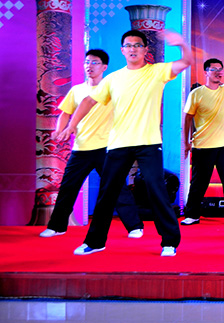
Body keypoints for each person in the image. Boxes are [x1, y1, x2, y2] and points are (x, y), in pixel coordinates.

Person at [58, 28, 193, 257]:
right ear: (122, 50)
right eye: (128, 45)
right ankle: (95, 241)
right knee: (107, 193)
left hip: (149, 143)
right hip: (119, 144)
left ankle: (169, 242)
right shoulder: (113, 79)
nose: (133, 49)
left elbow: (186, 62)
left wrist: (181, 43)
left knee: (156, 190)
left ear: (145, 50)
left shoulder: (157, 71)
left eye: (137, 45)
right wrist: (72, 125)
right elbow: (89, 101)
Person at [40, 49, 144, 239]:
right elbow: (65, 113)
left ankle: (135, 227)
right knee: (68, 187)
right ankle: (57, 226)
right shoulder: (77, 90)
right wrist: (59, 130)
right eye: (87, 62)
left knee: (116, 187)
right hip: (81, 148)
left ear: (104, 67)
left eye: (95, 62)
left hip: (107, 148)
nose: (90, 66)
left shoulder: (112, 90)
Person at [181, 58, 224, 227]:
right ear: (206, 72)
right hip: (203, 145)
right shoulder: (196, 93)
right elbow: (187, 118)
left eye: (220, 69)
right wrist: (186, 142)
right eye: (213, 69)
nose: (218, 72)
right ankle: (192, 214)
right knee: (199, 182)